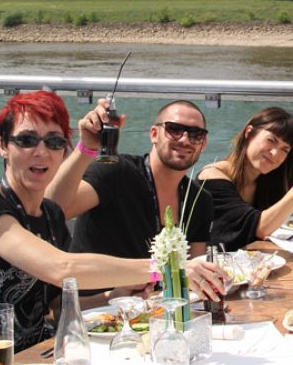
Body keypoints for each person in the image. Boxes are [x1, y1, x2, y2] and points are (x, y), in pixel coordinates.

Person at [0, 91, 212, 365]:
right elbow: (60, 267)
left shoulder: (50, 217)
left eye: (54, 142)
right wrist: (167, 271)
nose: (41, 152)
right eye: (27, 140)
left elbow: (56, 310)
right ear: (3, 145)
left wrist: (112, 296)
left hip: (37, 363)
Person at [46, 99, 223, 300]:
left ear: (204, 143)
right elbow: (52, 210)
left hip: (157, 314)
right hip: (95, 312)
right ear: (154, 134)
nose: (184, 140)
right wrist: (86, 148)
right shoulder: (116, 171)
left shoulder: (199, 200)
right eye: (174, 129)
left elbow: (195, 275)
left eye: (195, 134)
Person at [198, 107, 293, 251]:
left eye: (285, 149)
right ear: (249, 133)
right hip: (211, 268)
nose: (275, 153)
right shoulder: (211, 178)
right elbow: (261, 228)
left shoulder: (267, 180)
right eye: (271, 140)